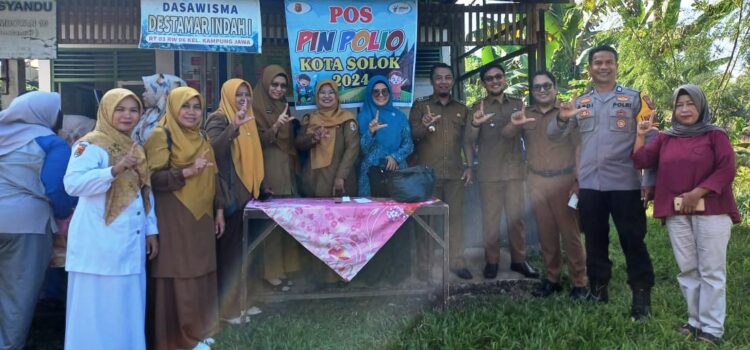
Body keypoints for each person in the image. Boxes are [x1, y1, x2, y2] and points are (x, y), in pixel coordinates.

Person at [548, 45, 656, 320]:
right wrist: (561, 116)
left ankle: (641, 295)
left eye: (609, 62)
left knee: (633, 240)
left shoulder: (634, 99)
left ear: (616, 66)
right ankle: (598, 289)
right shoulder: (580, 103)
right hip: (590, 186)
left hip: (626, 183)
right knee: (595, 240)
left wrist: (649, 180)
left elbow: (650, 139)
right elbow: (554, 135)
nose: (603, 67)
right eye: (598, 62)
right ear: (590, 68)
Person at [633, 84, 739, 345]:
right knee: (688, 268)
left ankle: (712, 328)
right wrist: (640, 135)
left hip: (712, 210)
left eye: (690, 103)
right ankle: (694, 321)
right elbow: (640, 161)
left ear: (701, 106)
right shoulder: (667, 137)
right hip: (677, 211)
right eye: (679, 105)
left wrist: (698, 193)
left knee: (711, 270)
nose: (685, 109)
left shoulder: (716, 135)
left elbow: (727, 169)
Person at [63, 88, 158, 350]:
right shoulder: (90, 144)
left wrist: (151, 231)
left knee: (127, 304)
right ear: (106, 111)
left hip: (130, 241)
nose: (128, 115)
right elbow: (72, 184)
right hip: (98, 244)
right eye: (120, 109)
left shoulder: (134, 146)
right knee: (95, 309)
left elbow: (144, 191)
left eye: (133, 109)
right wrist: (114, 170)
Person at [144, 87, 222, 349]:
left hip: (202, 214)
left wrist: (219, 209)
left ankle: (200, 330)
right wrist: (187, 172)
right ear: (173, 108)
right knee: (179, 271)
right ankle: (180, 335)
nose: (191, 112)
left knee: (202, 270)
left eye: (196, 107)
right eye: (185, 106)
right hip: (174, 214)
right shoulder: (160, 135)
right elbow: (151, 179)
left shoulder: (201, 136)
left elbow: (213, 174)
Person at [0, 91, 76, 350]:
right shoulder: (51, 143)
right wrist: (66, 214)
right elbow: (56, 189)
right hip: (26, 226)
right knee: (17, 295)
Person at [506, 71, 587, 299]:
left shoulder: (567, 112)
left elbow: (579, 147)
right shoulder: (525, 114)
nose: (542, 90)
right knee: (546, 233)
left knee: (570, 234)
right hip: (537, 181)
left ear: (555, 87)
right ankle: (552, 278)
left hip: (564, 181)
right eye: (537, 87)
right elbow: (506, 136)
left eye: (546, 86)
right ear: (532, 91)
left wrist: (578, 180)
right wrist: (514, 125)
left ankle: (579, 282)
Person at [464, 63, 539, 280]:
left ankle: (519, 260)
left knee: (516, 219)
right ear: (483, 83)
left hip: (515, 172)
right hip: (489, 174)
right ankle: (492, 262)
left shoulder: (518, 104)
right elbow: (468, 141)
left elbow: (529, 137)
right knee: (491, 220)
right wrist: (476, 125)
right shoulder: (477, 108)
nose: (495, 81)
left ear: (504, 79)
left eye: (498, 77)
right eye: (489, 78)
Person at [205, 79, 266, 324]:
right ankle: (227, 310)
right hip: (229, 197)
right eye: (238, 94)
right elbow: (212, 150)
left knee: (244, 253)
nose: (243, 99)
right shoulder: (219, 118)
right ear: (228, 95)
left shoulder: (249, 118)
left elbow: (253, 158)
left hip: (248, 196)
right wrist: (233, 127)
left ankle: (243, 302)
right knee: (229, 255)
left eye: (247, 94)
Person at [409, 63, 473, 280]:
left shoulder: (462, 109)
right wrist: (425, 125)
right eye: (439, 78)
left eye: (447, 77)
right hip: (428, 176)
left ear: (453, 81)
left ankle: (457, 261)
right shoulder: (420, 106)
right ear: (432, 81)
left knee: (456, 220)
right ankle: (424, 267)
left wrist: (470, 166)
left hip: (455, 174)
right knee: (426, 221)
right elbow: (413, 136)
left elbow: (466, 142)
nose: (443, 81)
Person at [252, 66, 301, 287]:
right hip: (268, 169)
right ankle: (270, 273)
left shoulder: (284, 106)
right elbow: (255, 142)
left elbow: (290, 142)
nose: (279, 89)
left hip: (285, 170)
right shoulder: (254, 106)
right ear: (265, 83)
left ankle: (285, 270)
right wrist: (275, 126)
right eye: (275, 84)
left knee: (285, 222)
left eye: (283, 86)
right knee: (270, 225)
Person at [296, 79, 360, 197]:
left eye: (331, 92)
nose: (326, 96)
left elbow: (352, 149)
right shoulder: (310, 119)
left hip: (338, 179)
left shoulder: (346, 119)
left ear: (337, 96)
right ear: (317, 95)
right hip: (313, 179)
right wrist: (313, 138)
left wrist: (341, 177)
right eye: (322, 92)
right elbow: (299, 144)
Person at [357, 76, 414, 197]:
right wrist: (370, 132)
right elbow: (363, 149)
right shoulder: (363, 117)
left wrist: (394, 157)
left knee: (397, 212)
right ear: (369, 94)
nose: (380, 95)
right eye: (376, 91)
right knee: (370, 213)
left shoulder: (400, 116)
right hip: (370, 173)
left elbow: (409, 144)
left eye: (384, 91)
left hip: (397, 171)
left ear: (389, 92)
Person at [131, 73, 186, 144]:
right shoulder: (150, 113)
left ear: (160, 91)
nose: (143, 94)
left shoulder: (174, 120)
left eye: (146, 90)